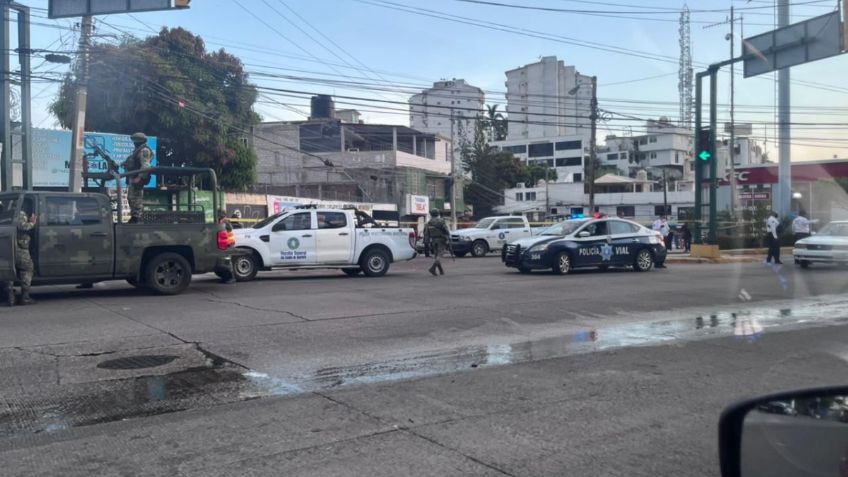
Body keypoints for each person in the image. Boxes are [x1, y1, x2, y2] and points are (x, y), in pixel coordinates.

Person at [2, 210, 37, 306]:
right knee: (27, 270)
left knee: (8, 272)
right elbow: (23, 226)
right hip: (20, 248)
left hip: (6, 248)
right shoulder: (18, 213)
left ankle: (10, 299)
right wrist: (32, 223)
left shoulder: (4, 213)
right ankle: (25, 298)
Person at [122, 132, 153, 224]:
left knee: (136, 198)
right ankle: (134, 216)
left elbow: (146, 165)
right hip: (133, 177)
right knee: (131, 198)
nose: (134, 143)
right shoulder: (137, 151)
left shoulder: (144, 151)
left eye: (136, 141)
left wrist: (139, 177)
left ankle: (137, 217)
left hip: (137, 178)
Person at [423, 208, 450, 276]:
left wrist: (427, 242)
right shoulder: (441, 221)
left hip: (433, 240)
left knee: (436, 255)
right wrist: (448, 237)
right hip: (441, 240)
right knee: (440, 255)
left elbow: (426, 233)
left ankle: (441, 271)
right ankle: (433, 268)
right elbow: (446, 230)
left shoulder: (428, 223)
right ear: (438, 214)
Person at [217, 210, 236, 284]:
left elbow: (229, 228)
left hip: (229, 243)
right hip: (226, 243)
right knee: (225, 261)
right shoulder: (221, 221)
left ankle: (231, 278)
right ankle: (226, 277)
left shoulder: (225, 221)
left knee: (228, 261)